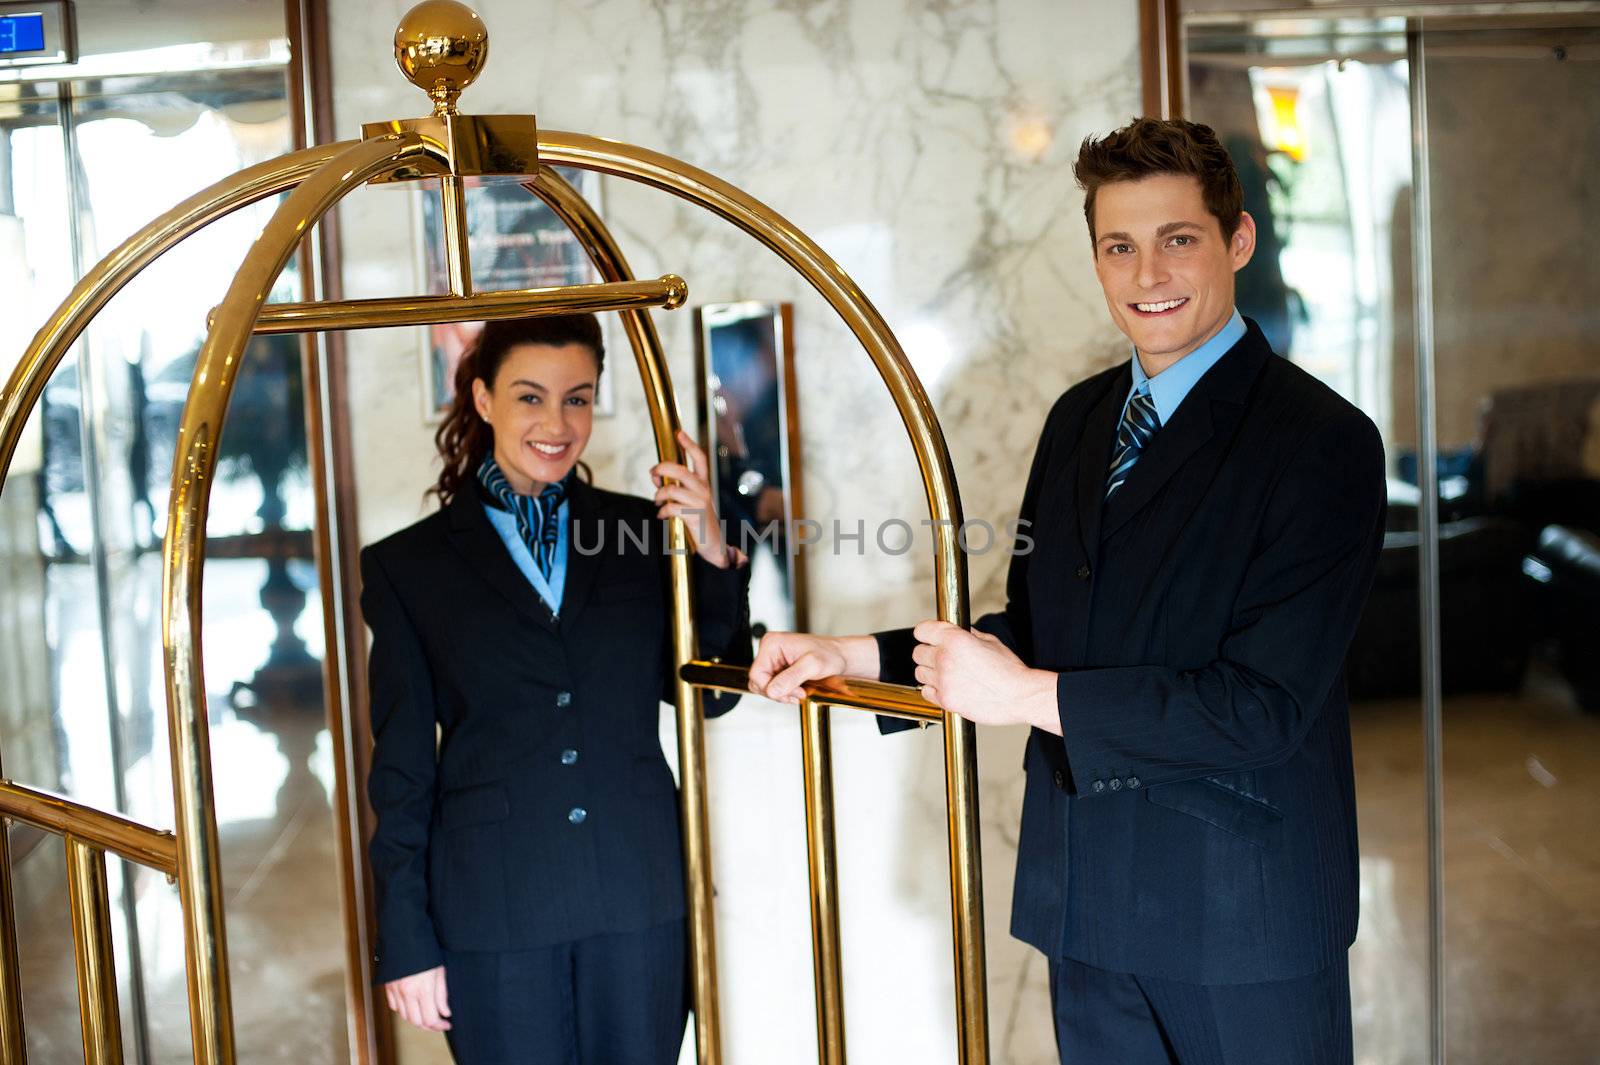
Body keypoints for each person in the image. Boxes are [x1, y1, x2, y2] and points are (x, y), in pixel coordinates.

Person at [748, 118, 1385, 1065]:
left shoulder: (1322, 441)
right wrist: (854, 657)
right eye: (1119, 247)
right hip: (1088, 902)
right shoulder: (1082, 418)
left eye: (1179, 240)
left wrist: (1024, 696)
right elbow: (1034, 633)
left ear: (1238, 241)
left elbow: (1263, 707)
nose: (1147, 275)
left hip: (1243, 918)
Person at [360, 313, 751, 1064]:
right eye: (530, 396)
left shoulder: (645, 535)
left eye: (577, 398)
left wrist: (707, 547)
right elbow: (403, 770)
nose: (556, 421)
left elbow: (713, 693)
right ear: (481, 399)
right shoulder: (409, 570)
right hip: (492, 907)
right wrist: (406, 937)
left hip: (638, 897)